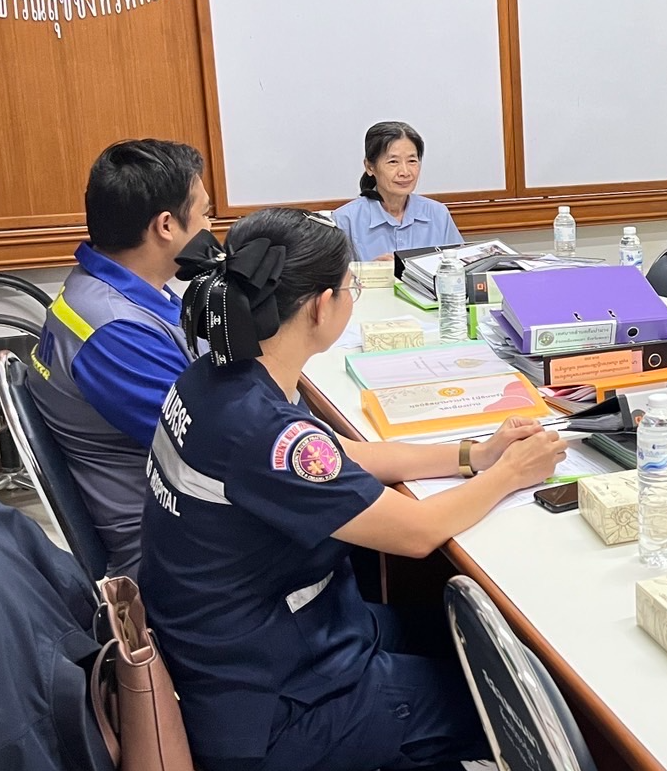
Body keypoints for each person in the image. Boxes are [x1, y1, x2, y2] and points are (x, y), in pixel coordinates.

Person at [140, 208, 568, 771]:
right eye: (351, 288)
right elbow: (416, 533)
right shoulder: (261, 428)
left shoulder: (223, 375)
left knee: (464, 636)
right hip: (272, 701)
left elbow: (334, 457)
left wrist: (474, 455)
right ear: (322, 305)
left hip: (243, 642)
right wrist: (509, 475)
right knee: (519, 709)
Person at [26, 139, 213, 577]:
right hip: (174, 544)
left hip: (182, 508)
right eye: (205, 213)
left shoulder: (112, 288)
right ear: (166, 225)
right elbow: (227, 448)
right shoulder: (115, 332)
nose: (212, 225)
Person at [331, 121, 462, 261]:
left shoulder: (438, 214)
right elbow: (335, 280)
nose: (405, 172)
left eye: (412, 161)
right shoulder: (345, 220)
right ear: (370, 167)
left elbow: (460, 268)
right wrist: (368, 273)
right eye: (393, 162)